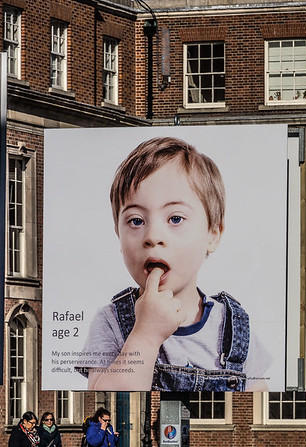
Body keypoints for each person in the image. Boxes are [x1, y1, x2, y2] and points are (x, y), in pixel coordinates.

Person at [82, 136, 271, 392]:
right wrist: (145, 335)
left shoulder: (235, 326)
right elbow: (107, 401)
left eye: (175, 218)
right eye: (136, 221)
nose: (153, 236)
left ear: (212, 234)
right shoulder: (110, 322)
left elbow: (256, 400)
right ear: (118, 235)